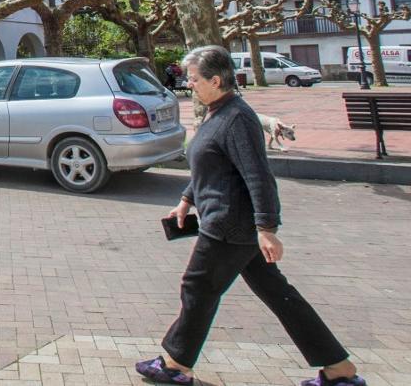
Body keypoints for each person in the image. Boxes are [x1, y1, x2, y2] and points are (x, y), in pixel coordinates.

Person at [135, 45, 364, 386]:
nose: (189, 84)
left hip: (230, 226)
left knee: (197, 287)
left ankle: (175, 364)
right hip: (234, 227)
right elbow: (211, 166)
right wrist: (186, 199)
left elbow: (257, 175)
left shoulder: (237, 118)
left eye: (195, 79)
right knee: (279, 295)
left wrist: (267, 228)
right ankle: (339, 370)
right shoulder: (217, 111)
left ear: (216, 79)